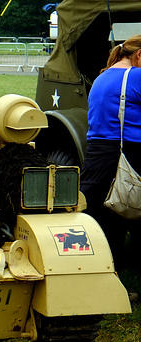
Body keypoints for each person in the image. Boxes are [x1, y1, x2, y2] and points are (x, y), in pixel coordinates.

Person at [81, 35, 141, 284]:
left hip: (97, 155)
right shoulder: (136, 76)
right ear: (139, 55)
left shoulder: (102, 76)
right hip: (128, 153)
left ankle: (105, 277)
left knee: (105, 220)